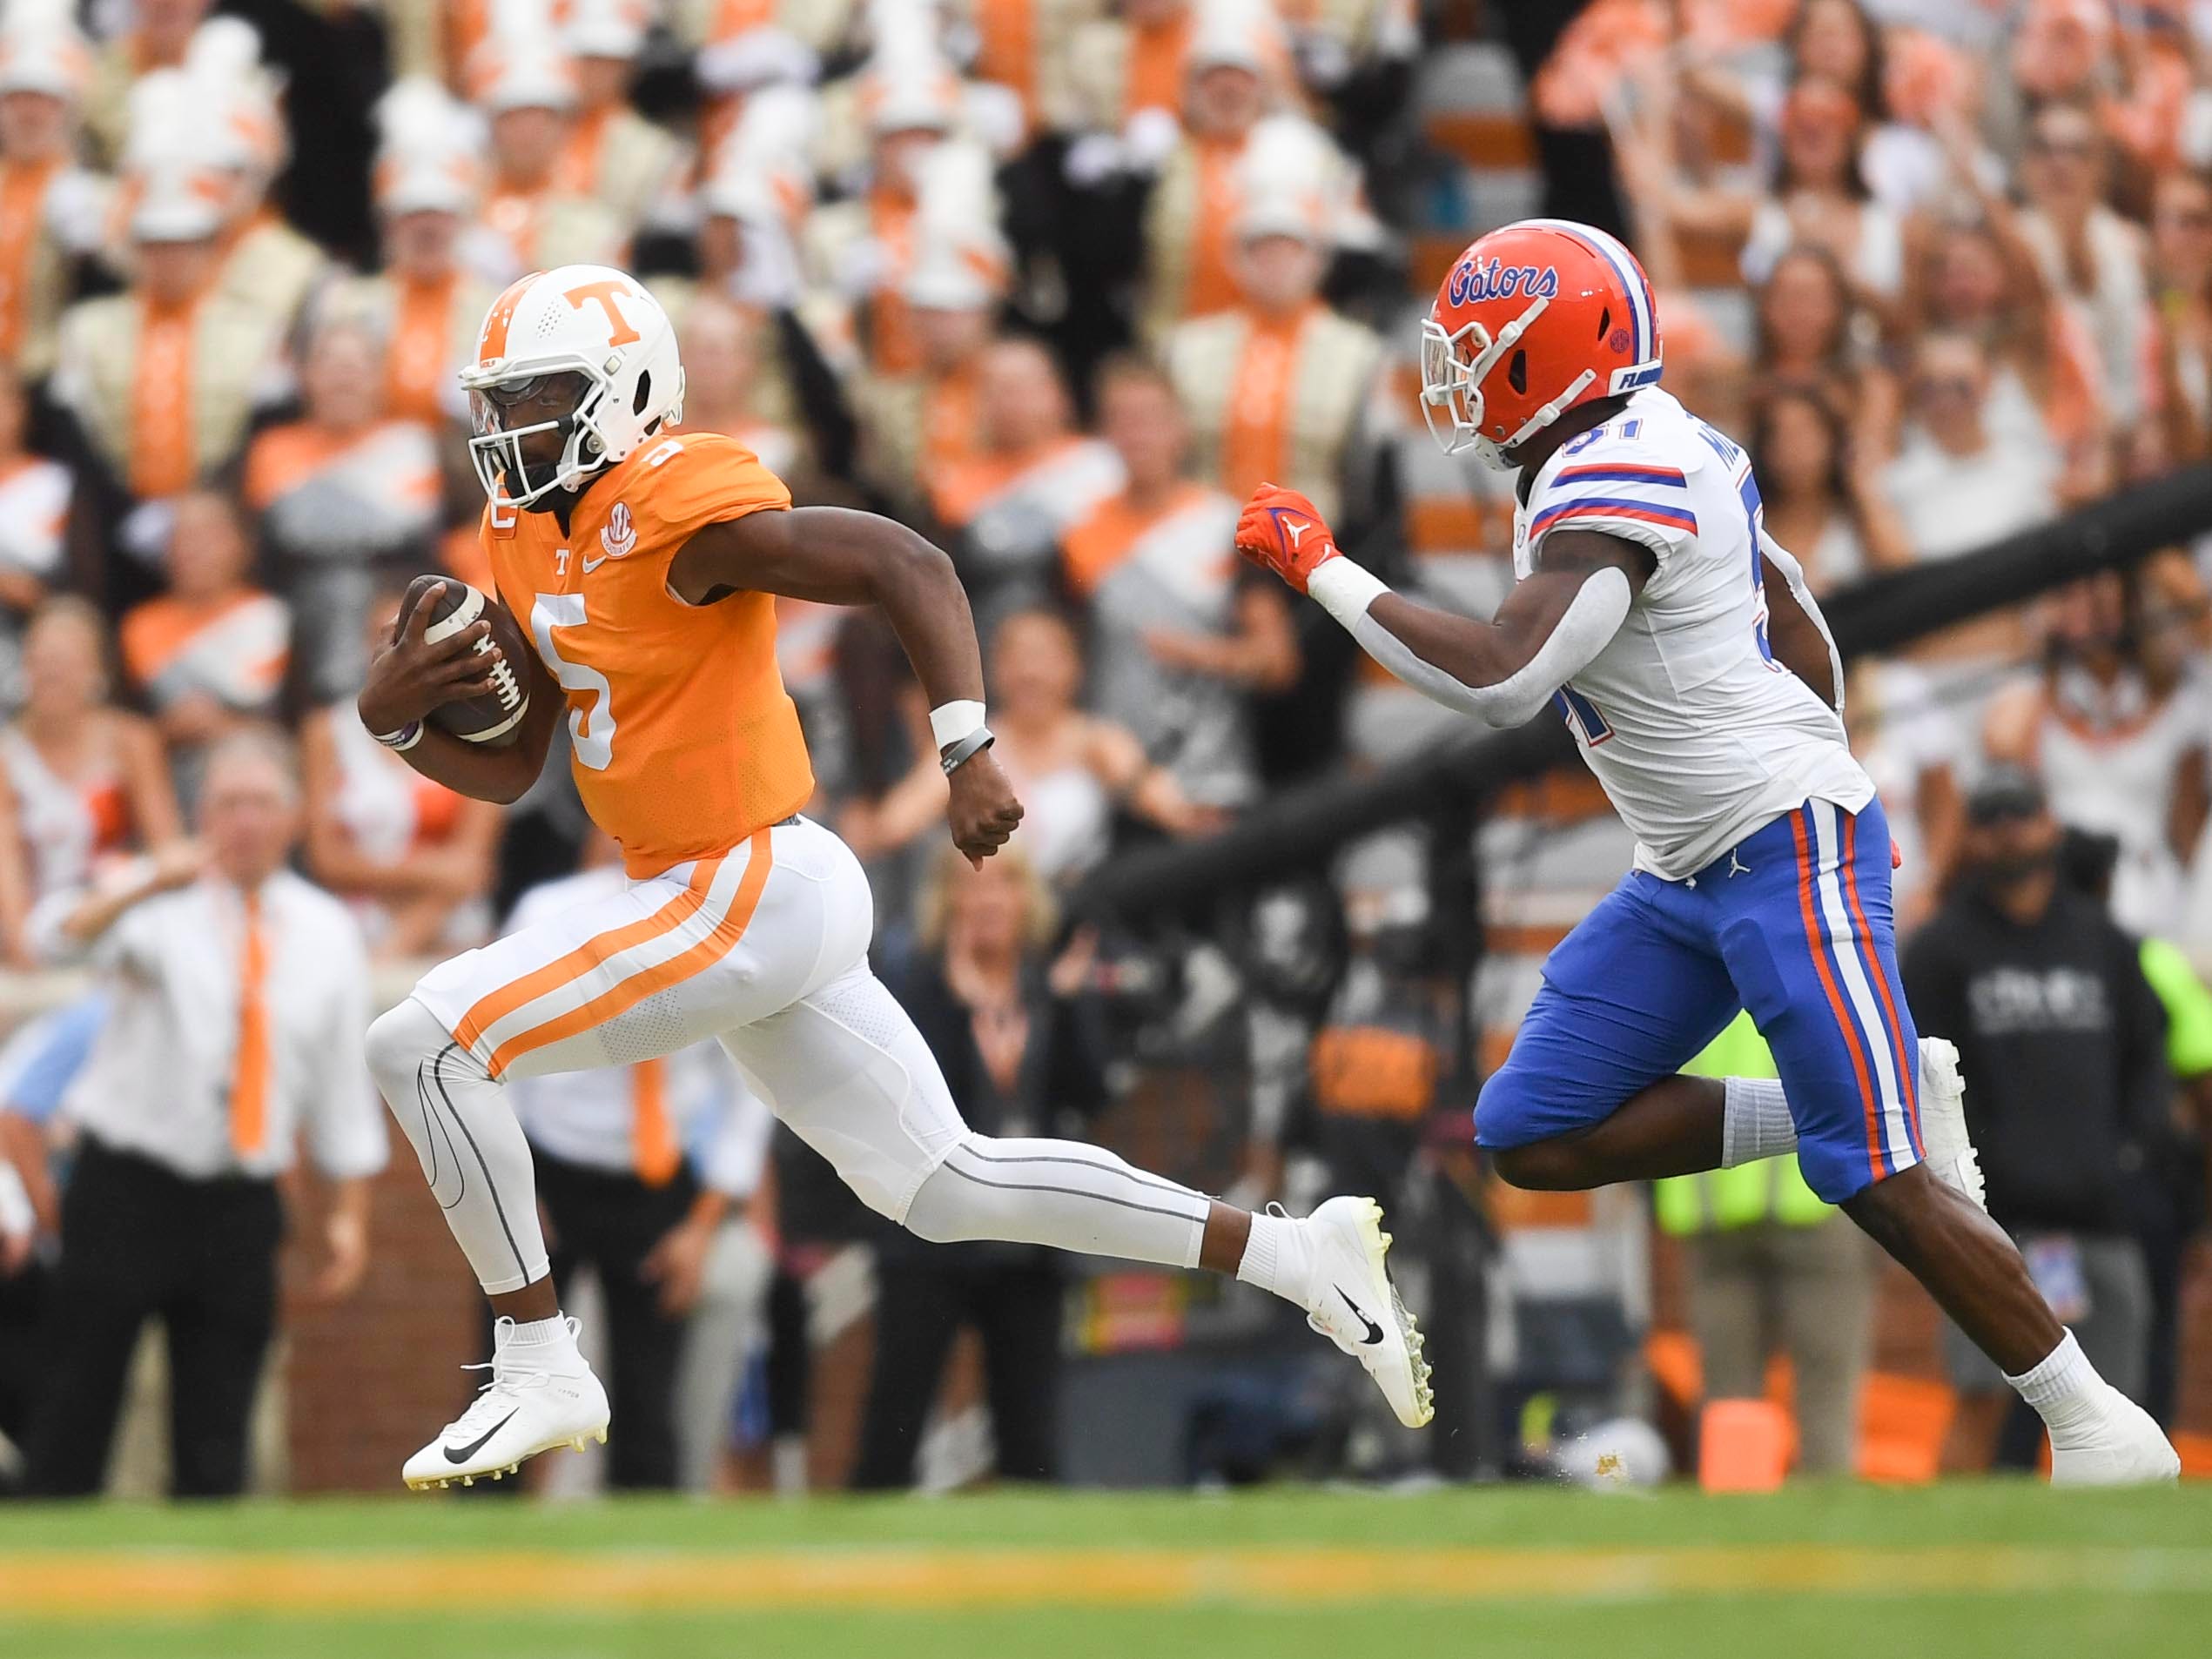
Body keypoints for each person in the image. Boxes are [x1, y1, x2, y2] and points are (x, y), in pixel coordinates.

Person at [354, 263, 1432, 1490]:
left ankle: (540, 1353)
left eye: (539, 396)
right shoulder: (527, 527)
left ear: (625, 391)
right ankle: (1301, 1258)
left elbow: (907, 564)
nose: (511, 428)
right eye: (500, 400)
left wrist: (964, 746)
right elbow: (523, 764)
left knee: (423, 1042)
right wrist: (395, 724)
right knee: (949, 1183)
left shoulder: (672, 500)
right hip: (733, 889)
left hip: (744, 879)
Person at [1233, 218, 2177, 1482]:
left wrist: (1323, 568)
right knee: (1531, 1130)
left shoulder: (1612, 472)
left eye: (1475, 347)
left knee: (1878, 1177)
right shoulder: (1638, 445)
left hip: (1780, 844)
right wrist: (1802, 756)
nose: (1452, 370)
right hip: (1687, 863)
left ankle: (2098, 1424)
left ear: (1546, 357)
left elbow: (1507, 680)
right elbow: (1792, 612)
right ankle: (1864, 1093)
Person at [21, 729, 386, 1497]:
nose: (244, 821)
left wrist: (347, 1215)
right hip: (126, 1183)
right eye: (227, 803)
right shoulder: (156, 904)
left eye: (260, 803)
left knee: (218, 1427)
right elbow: (53, 938)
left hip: (239, 1198)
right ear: (202, 815)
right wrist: (150, 880)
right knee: (75, 1404)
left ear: (292, 818)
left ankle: (209, 1597)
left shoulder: (327, 931)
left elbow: (339, 1086)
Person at [1901, 770, 2169, 1470]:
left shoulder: (2102, 941)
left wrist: (2132, 1156)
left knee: (2114, 1405)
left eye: (2020, 814)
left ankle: (2102, 1556)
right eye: (1989, 817)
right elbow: (1917, 1071)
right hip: (1993, 1223)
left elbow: (2148, 1056)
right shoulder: (1940, 948)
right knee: (1978, 1393)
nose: (2007, 831)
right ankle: (1947, 1554)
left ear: (2049, 824)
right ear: (1970, 836)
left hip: (2096, 1211)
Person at [506, 840, 767, 1491]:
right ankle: (474, 1574)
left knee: (649, 1405)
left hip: (657, 1180)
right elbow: (492, 1050)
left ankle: (654, 1578)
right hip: (548, 1170)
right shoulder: (550, 913)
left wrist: (703, 1225)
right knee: (510, 1385)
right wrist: (507, 1194)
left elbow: (750, 1087)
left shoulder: (720, 926)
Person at [851, 845, 1107, 1488]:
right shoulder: (914, 981)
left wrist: (1070, 1007)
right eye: (974, 888)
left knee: (1032, 1436)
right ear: (948, 901)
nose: (989, 903)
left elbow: (1091, 1093)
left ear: (1028, 901)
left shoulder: (1050, 984)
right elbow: (902, 1096)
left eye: (1005, 887)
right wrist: (959, 1008)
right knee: (895, 1421)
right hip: (930, 1231)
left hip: (1027, 1235)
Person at [0, 597, 181, 963]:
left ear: (96, 671)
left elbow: (168, 850)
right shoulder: (7, 755)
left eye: (64, 661)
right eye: (41, 660)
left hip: (121, 918)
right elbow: (7, 872)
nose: (51, 673)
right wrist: (26, 955)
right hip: (41, 930)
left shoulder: (132, 741)